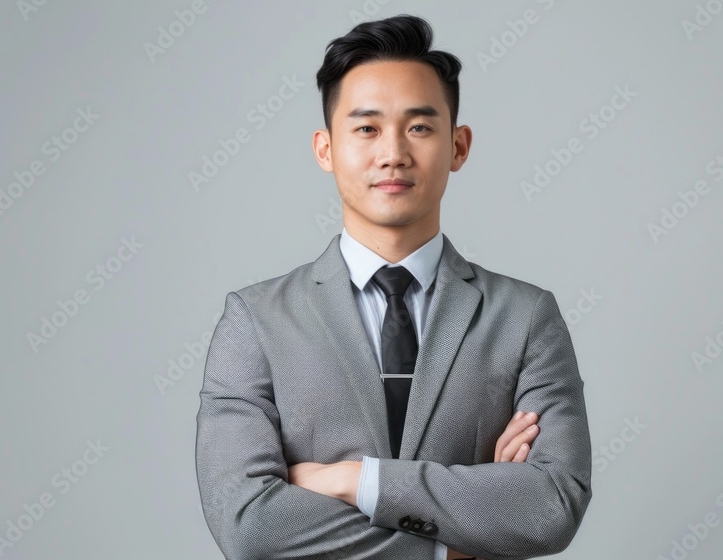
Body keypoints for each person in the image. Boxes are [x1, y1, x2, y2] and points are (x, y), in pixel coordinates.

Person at [195, 14, 591, 560]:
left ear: (458, 145)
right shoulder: (256, 321)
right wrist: (455, 543)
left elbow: (552, 506)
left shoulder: (526, 317)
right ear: (325, 148)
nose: (393, 153)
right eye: (366, 128)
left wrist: (352, 480)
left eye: (420, 127)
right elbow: (249, 526)